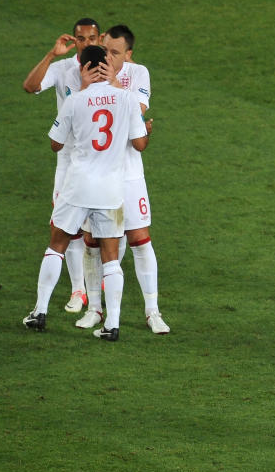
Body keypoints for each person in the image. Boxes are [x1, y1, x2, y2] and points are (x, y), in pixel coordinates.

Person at [22, 45, 148, 341]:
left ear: (84, 68)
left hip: (77, 186)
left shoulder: (75, 100)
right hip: (111, 190)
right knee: (111, 258)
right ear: (108, 65)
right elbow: (139, 141)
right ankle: (112, 325)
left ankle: (40, 311)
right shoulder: (128, 100)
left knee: (56, 246)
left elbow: (55, 144)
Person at [74, 25, 170, 335]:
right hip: (98, 174)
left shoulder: (138, 74)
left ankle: (152, 311)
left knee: (140, 240)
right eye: (105, 49)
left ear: (128, 54)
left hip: (128, 173)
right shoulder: (88, 76)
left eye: (115, 52)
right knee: (91, 243)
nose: (107, 56)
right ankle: (94, 309)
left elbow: (138, 111)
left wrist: (111, 83)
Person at [22, 18, 103, 314]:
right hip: (68, 163)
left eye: (92, 38)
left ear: (101, 38)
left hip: (102, 162)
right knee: (67, 230)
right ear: (75, 41)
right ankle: (79, 290)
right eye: (81, 38)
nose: (86, 43)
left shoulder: (110, 72)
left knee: (104, 230)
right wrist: (51, 55)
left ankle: (99, 288)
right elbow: (30, 87)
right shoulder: (62, 69)